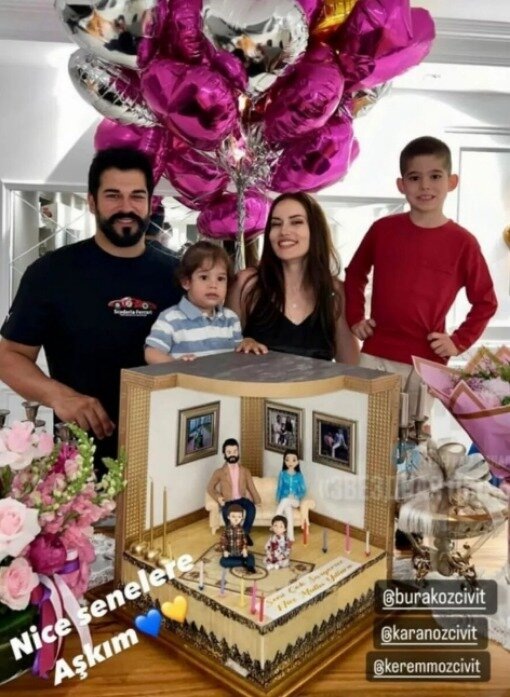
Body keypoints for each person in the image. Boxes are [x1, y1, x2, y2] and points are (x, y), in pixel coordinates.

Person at [0, 147, 181, 470]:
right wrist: (58, 395)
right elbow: (9, 356)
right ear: (92, 202)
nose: (126, 207)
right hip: (80, 464)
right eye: (113, 195)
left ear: (150, 203)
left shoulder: (180, 277)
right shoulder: (51, 273)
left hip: (170, 456)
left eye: (137, 196)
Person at [344, 136, 497, 418]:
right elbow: (354, 274)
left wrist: (458, 341)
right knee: (365, 427)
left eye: (435, 176)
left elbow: (486, 301)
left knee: (415, 435)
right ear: (401, 185)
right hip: (376, 353)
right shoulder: (382, 230)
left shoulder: (463, 243)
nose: (425, 185)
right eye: (415, 178)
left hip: (426, 362)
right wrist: (355, 317)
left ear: (452, 182)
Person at [227, 192, 359, 364]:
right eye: (276, 224)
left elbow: (352, 366)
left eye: (296, 222)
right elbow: (221, 352)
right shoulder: (247, 283)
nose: (284, 231)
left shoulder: (335, 291)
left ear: (315, 230)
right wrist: (243, 342)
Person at [145, 241, 258, 363]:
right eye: (204, 277)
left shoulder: (231, 319)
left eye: (220, 279)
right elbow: (151, 353)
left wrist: (247, 342)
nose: (213, 285)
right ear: (186, 282)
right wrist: (174, 364)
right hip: (184, 376)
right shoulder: (170, 319)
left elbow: (239, 352)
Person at [206, 438, 261, 545]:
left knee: (251, 509)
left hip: (241, 499)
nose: (232, 454)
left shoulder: (245, 471)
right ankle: (231, 535)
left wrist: (257, 500)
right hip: (228, 500)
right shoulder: (219, 472)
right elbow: (210, 488)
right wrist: (218, 497)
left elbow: (251, 487)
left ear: (238, 452)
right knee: (226, 512)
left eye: (235, 451)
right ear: (224, 454)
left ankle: (245, 534)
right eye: (229, 452)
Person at [275, 449, 307, 542]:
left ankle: (275, 519)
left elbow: (303, 490)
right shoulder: (282, 474)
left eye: (293, 460)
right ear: (284, 461)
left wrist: (296, 495)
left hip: (295, 501)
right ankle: (291, 537)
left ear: (298, 462)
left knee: (285, 501)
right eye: (287, 460)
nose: (290, 462)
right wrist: (278, 499)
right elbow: (279, 488)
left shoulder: (299, 475)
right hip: (284, 500)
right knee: (289, 513)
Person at [219, 504, 256, 574]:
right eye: (233, 516)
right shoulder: (226, 530)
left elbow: (244, 541)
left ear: (242, 518)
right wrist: (225, 550)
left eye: (239, 517)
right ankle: (243, 563)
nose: (236, 519)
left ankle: (248, 564)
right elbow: (223, 542)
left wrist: (244, 549)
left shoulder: (242, 530)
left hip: (240, 553)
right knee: (223, 562)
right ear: (228, 517)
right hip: (230, 554)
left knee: (251, 557)